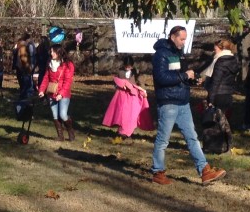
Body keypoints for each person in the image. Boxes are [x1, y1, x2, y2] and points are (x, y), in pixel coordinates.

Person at [150, 25, 226, 185]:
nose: (184, 42)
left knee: (192, 138)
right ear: (172, 37)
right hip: (168, 103)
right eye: (181, 39)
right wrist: (184, 75)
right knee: (163, 140)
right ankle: (158, 172)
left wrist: (192, 79)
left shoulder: (179, 54)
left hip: (183, 102)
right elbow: (162, 78)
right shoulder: (161, 55)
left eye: (185, 39)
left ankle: (205, 171)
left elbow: (181, 75)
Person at [102, 58, 154, 137]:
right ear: (124, 65)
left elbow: (140, 82)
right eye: (126, 66)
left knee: (132, 113)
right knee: (122, 113)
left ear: (132, 66)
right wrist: (120, 86)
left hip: (133, 95)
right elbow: (116, 82)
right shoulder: (120, 72)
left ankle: (127, 131)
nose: (128, 68)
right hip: (122, 95)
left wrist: (143, 90)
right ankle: (122, 130)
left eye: (129, 67)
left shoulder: (136, 72)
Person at [39, 44, 76, 141]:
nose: (51, 53)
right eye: (51, 51)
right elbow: (46, 78)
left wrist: (61, 94)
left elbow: (67, 81)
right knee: (55, 116)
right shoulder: (50, 63)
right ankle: (60, 136)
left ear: (59, 52)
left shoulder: (68, 65)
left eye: (53, 51)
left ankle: (70, 131)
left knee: (63, 115)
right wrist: (41, 90)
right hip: (51, 93)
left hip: (63, 94)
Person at [200, 39, 240, 122]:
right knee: (224, 120)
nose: (214, 51)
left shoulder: (220, 61)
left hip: (218, 94)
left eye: (215, 49)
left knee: (214, 121)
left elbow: (216, 82)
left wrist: (211, 100)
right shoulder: (233, 60)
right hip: (228, 94)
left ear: (223, 49)